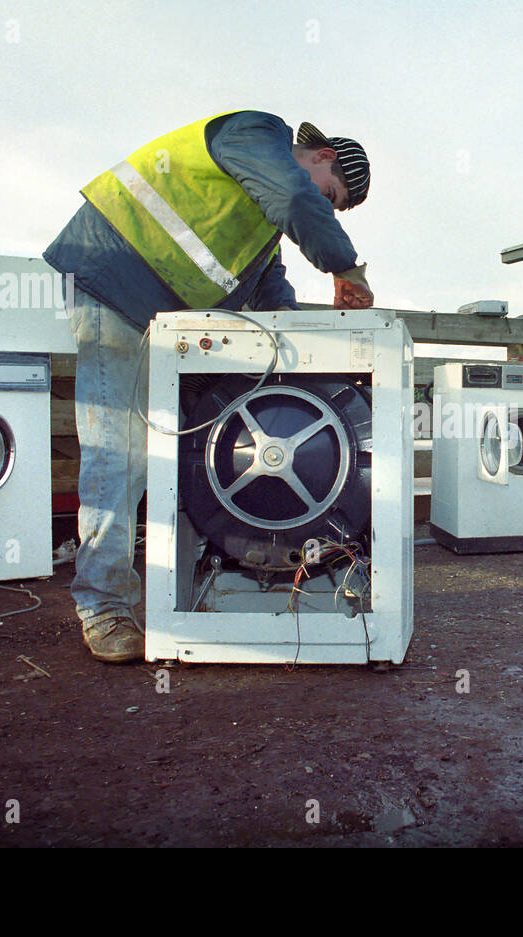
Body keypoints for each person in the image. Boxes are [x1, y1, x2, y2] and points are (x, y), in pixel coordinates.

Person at [44, 110, 374, 663]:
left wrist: (305, 348)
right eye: (333, 195)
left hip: (163, 323)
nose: (325, 206)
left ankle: (161, 592)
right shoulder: (256, 133)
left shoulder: (260, 224)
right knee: (118, 454)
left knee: (167, 454)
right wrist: (348, 268)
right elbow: (298, 202)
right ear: (324, 158)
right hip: (112, 281)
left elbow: (271, 293)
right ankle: (102, 606)